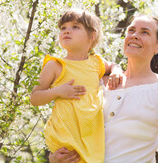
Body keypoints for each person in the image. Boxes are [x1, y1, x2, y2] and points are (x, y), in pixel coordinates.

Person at [50, 15, 158, 163]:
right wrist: (54, 158)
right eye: (131, 30)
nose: (134, 36)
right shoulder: (97, 82)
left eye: (144, 32)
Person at [30, 9, 122, 163]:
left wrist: (116, 71)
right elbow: (35, 97)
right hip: (66, 139)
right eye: (63, 28)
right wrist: (58, 92)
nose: (66, 31)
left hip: (91, 136)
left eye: (75, 27)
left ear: (91, 36)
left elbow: (112, 66)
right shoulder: (55, 65)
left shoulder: (95, 62)